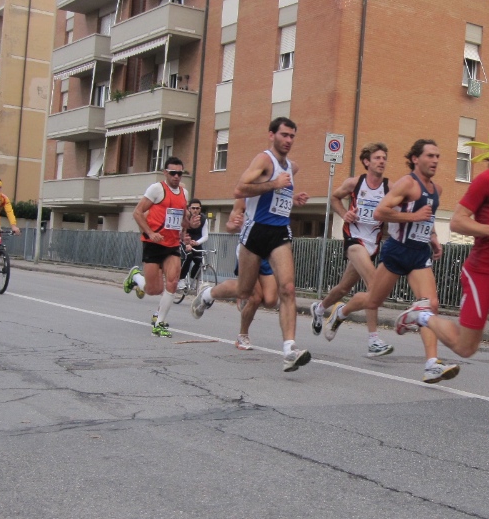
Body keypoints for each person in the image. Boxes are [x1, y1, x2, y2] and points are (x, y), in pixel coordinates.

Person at [395, 121, 489, 441]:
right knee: (465, 348)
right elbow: (460, 221)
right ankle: (422, 316)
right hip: (481, 274)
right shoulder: (486, 181)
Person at [324, 139, 459, 384]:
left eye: (438, 156)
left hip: (419, 254)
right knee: (373, 299)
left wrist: (434, 238)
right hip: (397, 251)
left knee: (431, 305)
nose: (435, 161)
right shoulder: (407, 184)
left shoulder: (436, 190)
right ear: (416, 159)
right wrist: (413, 215)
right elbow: (381, 212)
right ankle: (340, 312)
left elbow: (427, 220)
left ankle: (431, 364)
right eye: (430, 156)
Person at [191, 117, 311, 372]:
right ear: (271, 135)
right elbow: (239, 189)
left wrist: (293, 197)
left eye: (292, 136)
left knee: (287, 288)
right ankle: (207, 294)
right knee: (245, 292)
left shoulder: (291, 166)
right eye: (284, 135)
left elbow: (282, 192)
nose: (288, 140)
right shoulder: (263, 160)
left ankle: (289, 349)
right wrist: (273, 185)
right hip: (255, 232)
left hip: (279, 231)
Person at [309, 142, 393, 358]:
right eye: (377, 158)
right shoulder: (355, 183)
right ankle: (373, 340)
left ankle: (320, 309)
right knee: (374, 285)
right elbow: (335, 197)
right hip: (354, 239)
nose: (382, 161)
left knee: (343, 288)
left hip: (373, 243)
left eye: (384, 158)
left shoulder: (388, 188)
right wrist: (345, 213)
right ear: (367, 162)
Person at [122, 157, 189, 338]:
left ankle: (159, 324)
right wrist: (150, 233)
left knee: (173, 282)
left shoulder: (184, 193)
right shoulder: (156, 189)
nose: (176, 176)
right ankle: (135, 277)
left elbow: (182, 220)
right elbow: (137, 213)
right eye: (173, 173)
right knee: (154, 290)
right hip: (153, 243)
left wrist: (189, 225)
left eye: (180, 173)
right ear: (165, 172)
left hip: (172, 244)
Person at [226, 197, 278, 351]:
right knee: (255, 298)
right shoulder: (244, 199)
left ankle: (241, 291)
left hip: (267, 253)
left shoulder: (276, 195)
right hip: (247, 251)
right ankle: (242, 335)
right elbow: (229, 226)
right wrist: (235, 225)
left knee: (270, 300)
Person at [180, 199, 209, 287]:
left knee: (199, 261)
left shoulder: (203, 219)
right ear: (189, 209)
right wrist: (185, 243)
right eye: (193, 208)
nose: (195, 210)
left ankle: (193, 280)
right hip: (184, 242)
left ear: (200, 209)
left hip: (196, 242)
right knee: (188, 257)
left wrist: (197, 242)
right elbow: (181, 232)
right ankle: (181, 279)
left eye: (197, 208)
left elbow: (205, 236)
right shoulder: (185, 218)